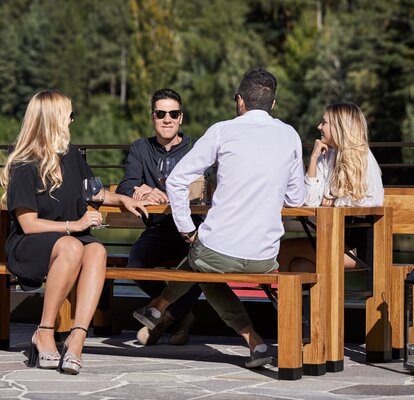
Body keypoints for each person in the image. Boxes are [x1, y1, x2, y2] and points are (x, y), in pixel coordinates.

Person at [133, 67, 305, 368]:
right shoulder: (289, 136)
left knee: (203, 265)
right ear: (273, 104)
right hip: (265, 256)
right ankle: (249, 341)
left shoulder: (223, 131)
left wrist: (187, 230)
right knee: (205, 265)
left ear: (240, 101)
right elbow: (296, 199)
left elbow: (176, 181)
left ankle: (161, 305)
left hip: (216, 251)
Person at [0, 90, 149, 375]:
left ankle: (77, 337)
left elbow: (93, 191)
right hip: (30, 244)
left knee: (96, 250)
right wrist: (75, 226)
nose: (72, 121)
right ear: (54, 119)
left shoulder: (71, 154)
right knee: (73, 245)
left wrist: (124, 199)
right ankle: (44, 331)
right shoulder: (23, 163)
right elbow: (29, 224)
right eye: (69, 115)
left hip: (69, 240)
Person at [116, 88, 202, 346]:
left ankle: (163, 317)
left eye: (173, 114)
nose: (167, 119)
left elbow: (201, 188)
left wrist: (161, 192)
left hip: (192, 228)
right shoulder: (140, 148)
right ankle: (182, 316)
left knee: (204, 266)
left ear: (181, 118)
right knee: (135, 263)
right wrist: (137, 190)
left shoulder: (195, 148)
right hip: (159, 227)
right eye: (161, 113)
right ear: (152, 117)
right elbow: (124, 187)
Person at [277, 102, 384, 272]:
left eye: (324, 122)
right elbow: (310, 200)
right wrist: (313, 158)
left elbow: (374, 199)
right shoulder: (327, 156)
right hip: (336, 242)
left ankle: (278, 300)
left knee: (284, 249)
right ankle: (299, 299)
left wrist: (336, 201)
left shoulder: (363, 157)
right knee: (299, 266)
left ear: (339, 127)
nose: (319, 126)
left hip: (359, 251)